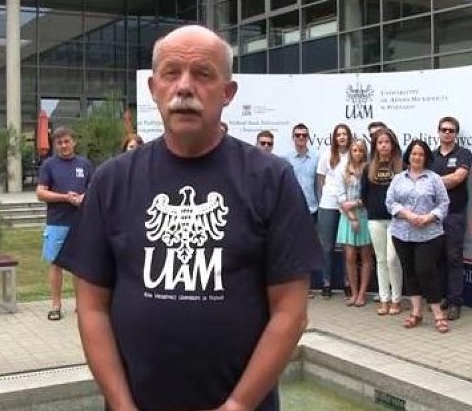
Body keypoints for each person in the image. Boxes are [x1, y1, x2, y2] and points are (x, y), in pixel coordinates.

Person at [55, 25, 321, 411]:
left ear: (227, 93)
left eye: (203, 74)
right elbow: (92, 307)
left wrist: (238, 406)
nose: (184, 87)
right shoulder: (112, 181)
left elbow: (291, 311)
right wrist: (120, 403)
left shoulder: (269, 179)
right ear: (153, 88)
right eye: (171, 73)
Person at [387, 139, 450, 333]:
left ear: (426, 157)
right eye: (414, 153)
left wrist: (429, 217)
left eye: (421, 154)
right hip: (402, 233)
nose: (417, 157)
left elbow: (444, 204)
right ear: (408, 156)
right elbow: (390, 202)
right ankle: (416, 312)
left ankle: (438, 313)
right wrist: (408, 215)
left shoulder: (434, 179)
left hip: (429, 234)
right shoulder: (398, 178)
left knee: (425, 270)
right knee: (410, 271)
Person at [36, 126, 93, 321]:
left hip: (82, 221)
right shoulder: (49, 165)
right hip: (57, 221)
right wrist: (64, 197)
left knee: (81, 265)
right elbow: (40, 193)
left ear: (74, 142)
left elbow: (93, 188)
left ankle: (82, 304)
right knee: (55, 263)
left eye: (67, 141)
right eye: (59, 142)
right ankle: (56, 305)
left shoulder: (84, 164)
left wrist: (84, 197)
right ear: (55, 145)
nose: (64, 146)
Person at [429, 116, 472, 321]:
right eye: (444, 130)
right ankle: (443, 297)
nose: (447, 133)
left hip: (454, 214)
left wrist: (432, 181)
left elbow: (457, 178)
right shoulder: (431, 155)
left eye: (451, 130)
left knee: (454, 258)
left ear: (456, 133)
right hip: (433, 216)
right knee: (437, 259)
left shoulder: (463, 153)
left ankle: (455, 301)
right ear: (438, 132)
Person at [362, 127, 404, 316]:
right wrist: (372, 209)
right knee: (380, 260)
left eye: (387, 142)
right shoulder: (367, 167)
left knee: (392, 259)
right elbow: (364, 195)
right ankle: (384, 299)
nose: (383, 145)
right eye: (380, 142)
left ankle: (397, 299)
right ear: (375, 146)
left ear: (392, 144)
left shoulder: (401, 167)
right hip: (375, 219)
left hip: (396, 220)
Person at [283, 123, 320, 299]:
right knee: (291, 250)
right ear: (293, 138)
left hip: (311, 209)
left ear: (308, 138)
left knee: (307, 250)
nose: (301, 138)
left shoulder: (316, 158)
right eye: (297, 135)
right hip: (290, 211)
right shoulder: (285, 159)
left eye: (304, 135)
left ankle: (307, 287)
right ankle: (292, 288)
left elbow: (318, 185)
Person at [316, 123, 353, 299]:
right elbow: (320, 179)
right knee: (327, 246)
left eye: (345, 134)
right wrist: (326, 196)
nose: (342, 137)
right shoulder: (327, 155)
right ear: (335, 138)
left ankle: (347, 283)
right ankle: (326, 283)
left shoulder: (354, 155)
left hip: (348, 204)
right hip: (329, 203)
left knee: (347, 246)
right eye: (338, 135)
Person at [335, 139, 373, 307]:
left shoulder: (369, 169)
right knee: (350, 256)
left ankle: (362, 294)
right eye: (355, 150)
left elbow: (371, 195)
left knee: (365, 256)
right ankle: (354, 292)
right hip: (347, 216)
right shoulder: (342, 169)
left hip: (364, 214)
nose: (358, 153)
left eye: (361, 150)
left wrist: (356, 204)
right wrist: (351, 216)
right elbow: (340, 197)